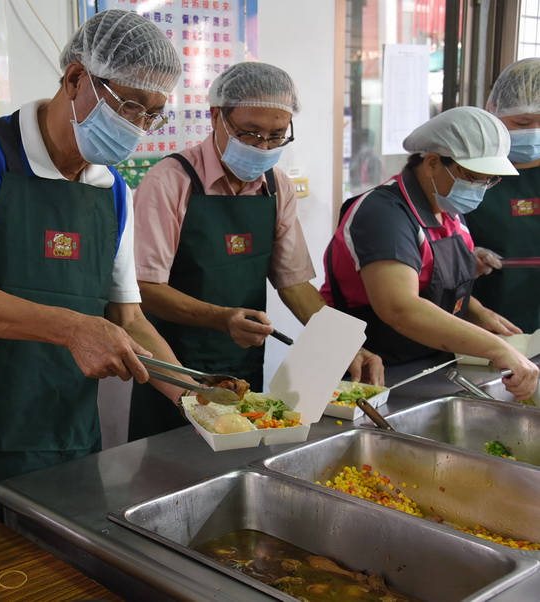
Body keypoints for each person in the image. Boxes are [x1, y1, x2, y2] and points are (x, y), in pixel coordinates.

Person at [0, 9, 187, 530]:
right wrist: (73, 327)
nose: (137, 127)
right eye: (127, 105)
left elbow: (129, 316)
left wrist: (195, 395)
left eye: (152, 114)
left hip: (68, 428)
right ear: (76, 78)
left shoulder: (113, 191)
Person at [128, 62, 384, 441]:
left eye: (276, 136)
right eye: (250, 134)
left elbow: (294, 285)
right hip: (173, 366)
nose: (263, 147)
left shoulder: (276, 185)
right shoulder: (170, 181)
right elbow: (144, 289)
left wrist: (344, 346)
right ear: (217, 117)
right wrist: (222, 318)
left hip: (242, 368)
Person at [321, 106, 539, 400]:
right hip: (369, 374)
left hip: (427, 367)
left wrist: (478, 312)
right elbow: (401, 308)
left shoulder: (448, 212)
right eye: (473, 177)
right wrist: (496, 348)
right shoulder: (384, 214)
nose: (481, 188)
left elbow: (433, 285)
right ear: (434, 162)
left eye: (490, 180)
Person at [468, 58, 540, 333]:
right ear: (493, 111)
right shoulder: (466, 171)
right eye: (523, 122)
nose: (534, 132)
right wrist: (464, 257)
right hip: (481, 322)